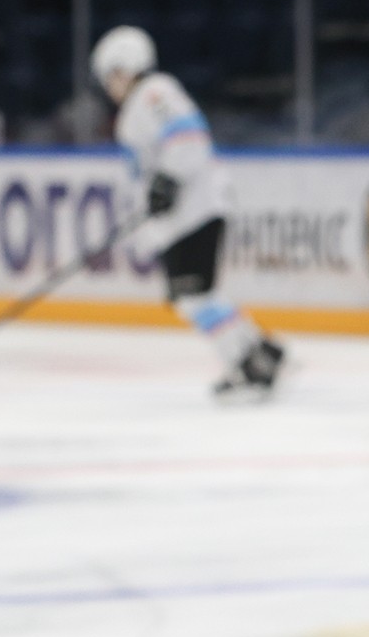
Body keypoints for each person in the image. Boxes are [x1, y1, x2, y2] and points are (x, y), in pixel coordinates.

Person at [89, 26, 285, 399]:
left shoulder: (154, 92)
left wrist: (167, 182)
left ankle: (249, 364)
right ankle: (258, 351)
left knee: (194, 296)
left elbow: (188, 137)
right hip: (186, 215)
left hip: (196, 210)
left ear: (126, 66)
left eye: (110, 75)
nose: (109, 86)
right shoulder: (141, 103)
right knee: (197, 295)